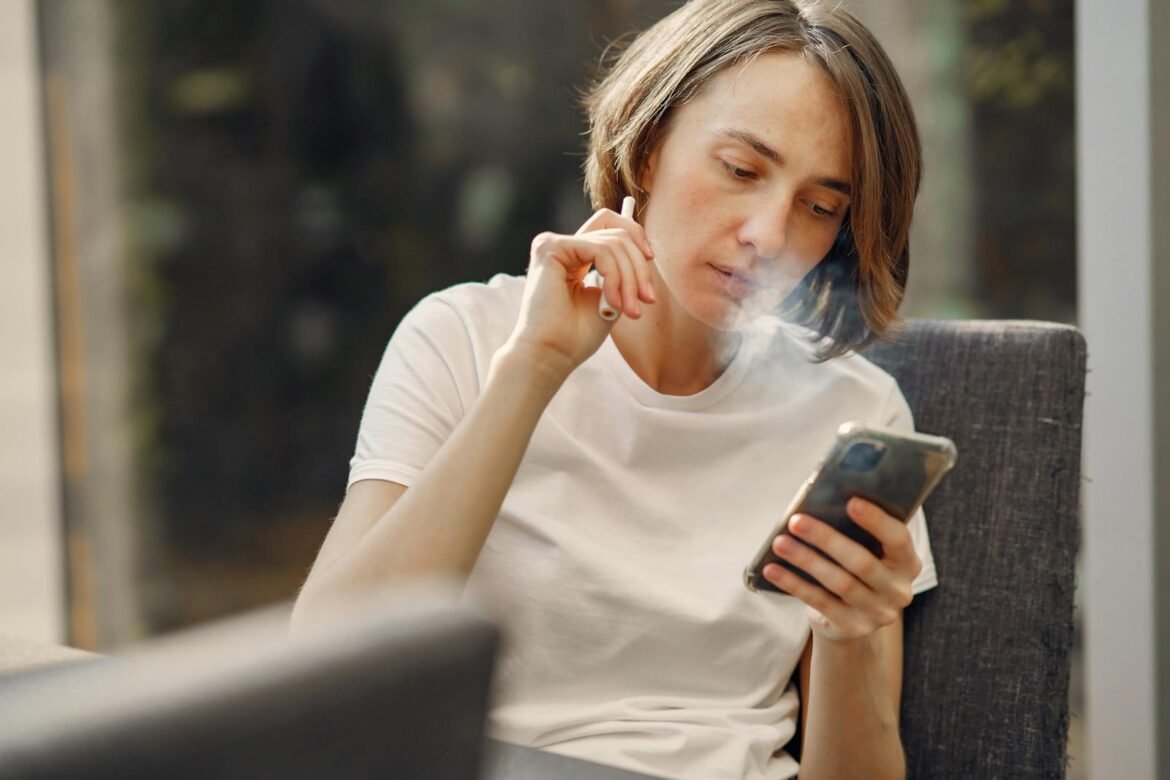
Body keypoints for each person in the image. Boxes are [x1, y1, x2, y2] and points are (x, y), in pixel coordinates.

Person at [292, 0, 933, 777]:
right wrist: (533, 370)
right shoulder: (464, 339)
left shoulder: (853, 414)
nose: (769, 235)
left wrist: (850, 634)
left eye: (820, 207)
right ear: (650, 146)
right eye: (740, 170)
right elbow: (326, 676)